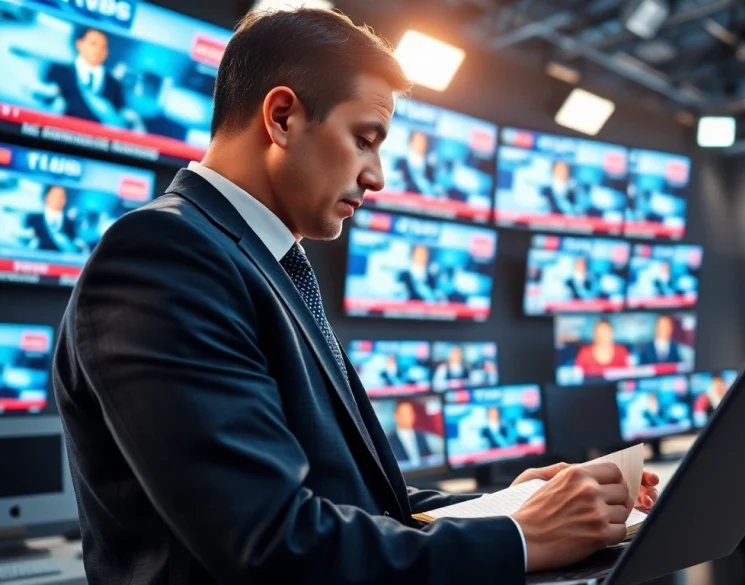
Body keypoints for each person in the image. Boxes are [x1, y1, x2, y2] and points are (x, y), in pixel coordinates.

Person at [52, 9, 659, 584]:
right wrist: (522, 536)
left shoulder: (262, 265)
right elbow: (273, 547)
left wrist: (514, 504)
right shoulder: (164, 255)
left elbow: (350, 504)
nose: (378, 176)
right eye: (366, 138)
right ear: (283, 117)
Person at [42, 28, 130, 126]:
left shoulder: (114, 84)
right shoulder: (59, 71)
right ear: (79, 44)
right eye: (93, 44)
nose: (98, 50)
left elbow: (119, 119)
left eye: (103, 47)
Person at [24, 185, 82, 252]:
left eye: (62, 197)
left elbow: (74, 247)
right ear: (47, 197)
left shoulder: (70, 223)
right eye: (55, 196)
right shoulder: (33, 219)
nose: (58, 200)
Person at [386, 400, 437, 467]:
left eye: (410, 413)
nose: (408, 417)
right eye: (404, 414)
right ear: (396, 416)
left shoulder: (421, 436)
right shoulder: (389, 440)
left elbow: (430, 458)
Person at [394, 130, 436, 195]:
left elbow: (433, 190)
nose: (422, 144)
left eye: (424, 142)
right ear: (411, 142)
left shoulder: (430, 168)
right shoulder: (400, 163)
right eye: (419, 141)